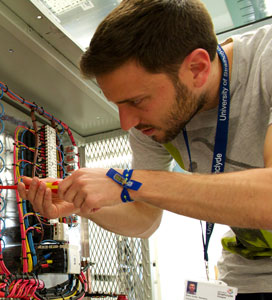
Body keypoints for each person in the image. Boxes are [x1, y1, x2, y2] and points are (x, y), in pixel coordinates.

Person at [17, 0, 272, 298]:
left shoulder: (265, 62)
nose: (127, 123)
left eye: (136, 101)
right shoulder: (149, 124)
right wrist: (84, 204)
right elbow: (145, 219)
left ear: (198, 68)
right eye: (119, 105)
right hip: (249, 276)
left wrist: (127, 181)